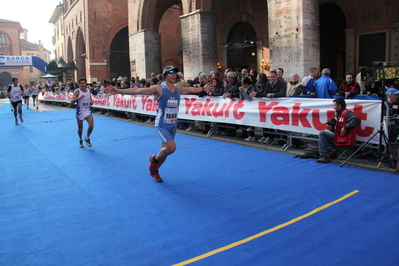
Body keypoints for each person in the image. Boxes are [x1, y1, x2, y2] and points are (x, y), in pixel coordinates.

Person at [107, 65, 213, 183]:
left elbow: (192, 89)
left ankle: (155, 170)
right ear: (165, 75)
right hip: (162, 125)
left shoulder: (178, 89)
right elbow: (138, 90)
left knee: (165, 151)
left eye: (175, 73)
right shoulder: (159, 89)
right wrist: (118, 90)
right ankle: (154, 159)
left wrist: (203, 88)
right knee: (171, 148)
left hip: (173, 125)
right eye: (171, 73)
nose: (174, 75)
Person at [316, 98, 361, 163]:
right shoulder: (339, 114)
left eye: (334, 105)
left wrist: (346, 127)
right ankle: (333, 152)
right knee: (323, 135)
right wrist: (332, 128)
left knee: (322, 134)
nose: (333, 107)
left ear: (339, 106)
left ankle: (325, 155)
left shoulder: (347, 113)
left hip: (345, 138)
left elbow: (357, 119)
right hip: (339, 136)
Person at [71, 78, 94, 148]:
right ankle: (80, 139)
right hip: (80, 111)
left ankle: (87, 137)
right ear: (79, 84)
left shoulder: (88, 90)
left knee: (91, 125)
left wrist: (91, 102)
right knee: (80, 128)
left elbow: (90, 99)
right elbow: (71, 101)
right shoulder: (77, 91)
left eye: (84, 83)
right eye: (81, 83)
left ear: (86, 83)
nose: (83, 85)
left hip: (87, 111)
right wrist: (79, 98)